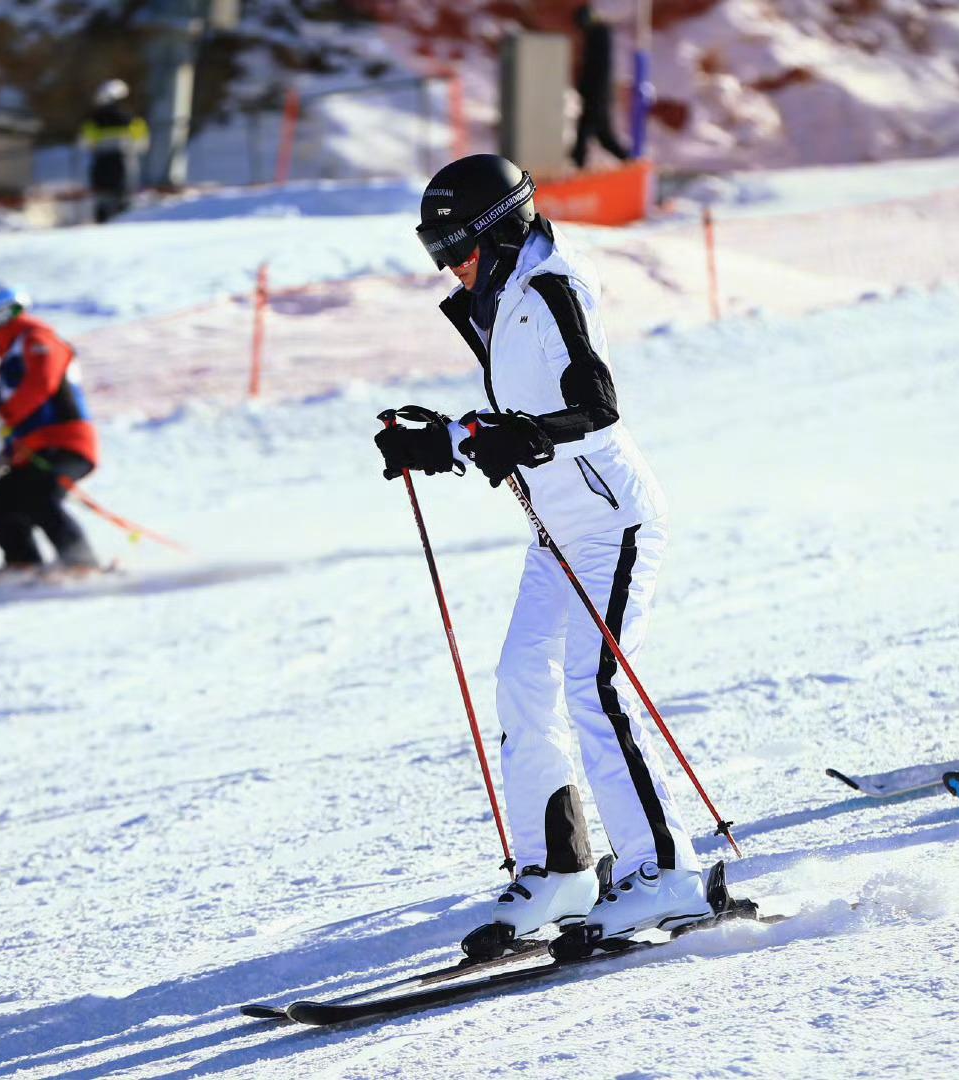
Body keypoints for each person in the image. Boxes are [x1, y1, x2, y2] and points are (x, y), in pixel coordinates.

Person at [377, 154, 705, 953]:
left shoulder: (553, 285)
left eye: (454, 243)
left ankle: (667, 871)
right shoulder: (494, 298)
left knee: (596, 688)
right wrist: (447, 440)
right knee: (522, 679)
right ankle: (561, 867)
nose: (448, 263)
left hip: (612, 521)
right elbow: (516, 419)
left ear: (498, 231)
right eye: (434, 248)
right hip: (555, 532)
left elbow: (593, 407)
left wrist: (516, 434)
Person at [0, 282, 100, 577]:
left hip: (67, 442)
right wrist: (8, 453)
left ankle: (82, 565)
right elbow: (26, 413)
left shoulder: (37, 338)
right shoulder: (11, 356)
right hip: (37, 448)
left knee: (39, 495)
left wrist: (6, 417)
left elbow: (41, 383)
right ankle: (23, 565)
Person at [79, 79, 149, 224]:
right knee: (125, 200)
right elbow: (142, 144)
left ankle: (103, 223)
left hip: (101, 165)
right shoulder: (133, 119)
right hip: (124, 163)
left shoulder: (93, 121)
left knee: (103, 201)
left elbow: (85, 144)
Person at [570, 4, 631, 170]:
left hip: (595, 90)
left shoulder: (599, 31)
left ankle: (634, 164)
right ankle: (633, 163)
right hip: (594, 89)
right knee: (599, 134)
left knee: (596, 132)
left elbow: (596, 69)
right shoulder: (598, 31)